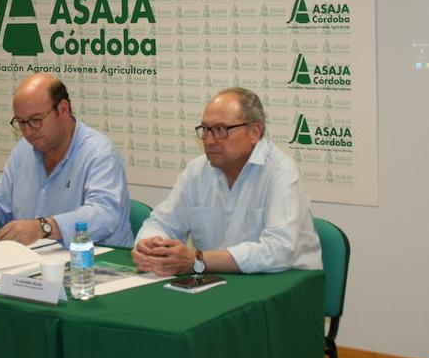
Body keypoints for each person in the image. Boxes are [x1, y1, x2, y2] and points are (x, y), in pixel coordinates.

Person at [133, 87, 320, 276]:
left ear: (254, 132)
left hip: (281, 284)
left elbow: (278, 250)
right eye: (205, 130)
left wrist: (197, 261)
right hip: (216, 279)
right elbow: (162, 223)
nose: (209, 140)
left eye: (220, 130)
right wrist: (151, 246)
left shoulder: (280, 171)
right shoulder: (197, 171)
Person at [0, 73, 133, 248]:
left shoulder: (99, 153)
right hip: (36, 263)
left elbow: (104, 215)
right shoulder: (24, 150)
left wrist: (43, 227)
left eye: (36, 120)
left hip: (96, 263)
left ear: (62, 109)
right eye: (21, 122)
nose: (27, 132)